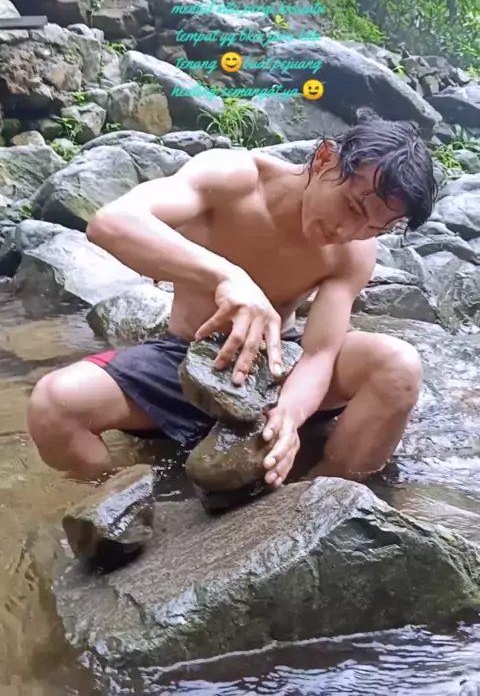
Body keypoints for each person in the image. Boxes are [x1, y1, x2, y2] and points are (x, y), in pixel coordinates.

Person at [27, 110, 437, 486]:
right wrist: (227, 276)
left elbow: (319, 353)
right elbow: (111, 223)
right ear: (325, 159)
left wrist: (290, 416)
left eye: (374, 228)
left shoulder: (354, 251)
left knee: (398, 366)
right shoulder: (234, 178)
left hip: (279, 365)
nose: (349, 232)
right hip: (186, 360)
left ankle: (327, 501)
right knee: (53, 406)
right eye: (352, 207)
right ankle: (126, 506)